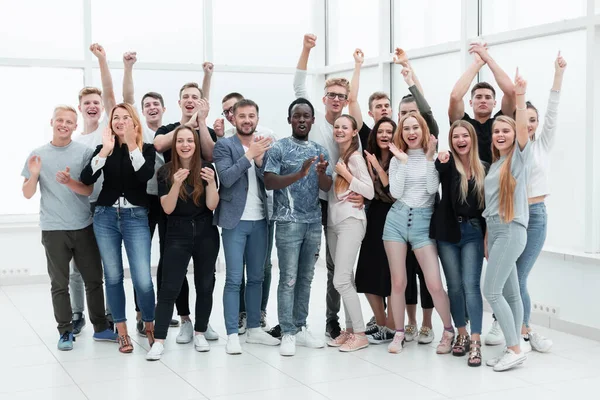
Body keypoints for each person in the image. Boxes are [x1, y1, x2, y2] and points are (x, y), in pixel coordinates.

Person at [350, 47, 440, 344]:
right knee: (387, 274)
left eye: (406, 117)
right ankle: (395, 323)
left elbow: (426, 112)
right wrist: (358, 67)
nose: (399, 125)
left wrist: (408, 70)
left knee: (420, 273)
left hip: (418, 214)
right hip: (383, 218)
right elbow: (353, 105)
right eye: (401, 116)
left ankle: (424, 323)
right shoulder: (373, 146)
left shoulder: (415, 145)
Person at [22, 105, 117, 350]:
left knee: (94, 280)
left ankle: (101, 328)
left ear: (76, 126)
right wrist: (33, 175)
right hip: (53, 229)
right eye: (60, 120)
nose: (64, 125)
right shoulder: (37, 155)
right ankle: (65, 332)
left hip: (83, 226)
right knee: (59, 284)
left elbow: (88, 190)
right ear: (52, 122)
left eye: (69, 122)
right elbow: (27, 193)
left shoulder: (84, 153)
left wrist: (69, 182)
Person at [490, 53, 567, 354]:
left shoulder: (542, 144)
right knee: (508, 276)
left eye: (534, 120)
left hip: (535, 215)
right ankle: (513, 327)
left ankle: (523, 330)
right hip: (510, 217)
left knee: (518, 276)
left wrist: (558, 74)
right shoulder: (509, 152)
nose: (531, 124)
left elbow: (554, 113)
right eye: (527, 120)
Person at [294, 33, 364, 339]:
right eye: (331, 94)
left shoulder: (350, 126)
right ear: (324, 98)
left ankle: (333, 320)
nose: (336, 99)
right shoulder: (316, 122)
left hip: (341, 203)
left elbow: (357, 98)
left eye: (341, 95)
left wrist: (357, 68)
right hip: (313, 201)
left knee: (338, 268)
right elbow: (298, 86)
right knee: (307, 264)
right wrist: (307, 49)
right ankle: (295, 321)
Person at [81, 103, 156, 353]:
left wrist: (132, 145)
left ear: (134, 122)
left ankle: (149, 325)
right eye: (116, 118)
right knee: (113, 277)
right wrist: (104, 152)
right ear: (110, 123)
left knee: (143, 278)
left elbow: (145, 175)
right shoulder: (103, 149)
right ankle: (121, 331)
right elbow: (86, 179)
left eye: (126, 117)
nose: (120, 121)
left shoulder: (146, 148)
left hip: (136, 216)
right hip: (105, 217)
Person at [264, 98, 332, 356]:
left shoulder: (319, 151)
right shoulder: (278, 149)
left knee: (306, 277)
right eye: (297, 116)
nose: (302, 120)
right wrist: (299, 174)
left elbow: (326, 187)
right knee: (289, 279)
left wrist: (320, 173)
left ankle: (301, 327)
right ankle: (288, 332)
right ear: (289, 119)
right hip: (288, 223)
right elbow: (269, 181)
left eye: (306, 116)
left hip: (313, 223)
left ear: (313, 120)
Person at [153, 78, 219, 344]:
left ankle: (201, 327)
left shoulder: (206, 163)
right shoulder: (166, 167)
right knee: (172, 280)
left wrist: (201, 123)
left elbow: (210, 154)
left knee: (205, 282)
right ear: (179, 102)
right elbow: (159, 144)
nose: (185, 145)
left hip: (204, 228)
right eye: (186, 97)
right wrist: (188, 125)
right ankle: (184, 322)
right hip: (175, 227)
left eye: (196, 97)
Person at [213, 99, 281, 354]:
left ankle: (254, 329)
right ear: (234, 118)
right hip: (234, 221)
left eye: (252, 115)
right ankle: (232, 332)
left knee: (256, 277)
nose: (247, 120)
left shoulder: (265, 144)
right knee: (233, 279)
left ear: (257, 118)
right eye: (242, 115)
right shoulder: (224, 146)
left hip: (261, 220)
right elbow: (227, 179)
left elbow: (270, 181)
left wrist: (262, 162)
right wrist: (249, 156)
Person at [384, 113, 455, 355]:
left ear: (423, 130)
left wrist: (427, 159)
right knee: (398, 282)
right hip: (396, 220)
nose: (411, 132)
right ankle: (399, 333)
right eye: (406, 129)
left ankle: (448, 330)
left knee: (434, 283)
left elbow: (431, 189)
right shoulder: (397, 159)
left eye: (415, 128)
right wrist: (403, 161)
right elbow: (395, 191)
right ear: (401, 133)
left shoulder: (433, 157)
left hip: (424, 223)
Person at [483, 70, 533, 371]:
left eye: (506, 131)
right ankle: (517, 346)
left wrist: (521, 96)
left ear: (514, 136)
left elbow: (525, 130)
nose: (500, 135)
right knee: (511, 293)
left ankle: (513, 348)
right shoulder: (497, 163)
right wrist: (489, 237)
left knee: (491, 291)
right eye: (497, 131)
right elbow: (490, 207)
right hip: (499, 231)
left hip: (512, 229)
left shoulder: (516, 159)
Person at [68, 43, 117, 335]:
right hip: (78, 210)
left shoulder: (107, 129)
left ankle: (111, 313)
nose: (92, 105)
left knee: (107, 265)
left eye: (96, 102)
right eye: (87, 102)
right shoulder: (74, 142)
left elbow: (111, 95)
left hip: (104, 207)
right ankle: (77, 314)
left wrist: (101, 60)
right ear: (80, 107)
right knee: (77, 268)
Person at [431, 120, 489, 366]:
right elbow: (435, 170)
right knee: (454, 286)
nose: (461, 140)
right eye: (456, 136)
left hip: (474, 231)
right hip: (448, 232)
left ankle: (475, 340)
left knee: (470, 285)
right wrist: (439, 155)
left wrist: (487, 239)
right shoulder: (446, 164)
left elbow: (488, 208)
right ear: (451, 140)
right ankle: (462, 333)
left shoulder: (485, 168)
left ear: (472, 139)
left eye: (465, 135)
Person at [326, 114, 374, 352]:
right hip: (335, 223)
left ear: (355, 132)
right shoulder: (341, 156)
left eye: (345, 127)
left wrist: (346, 175)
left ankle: (361, 334)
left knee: (341, 280)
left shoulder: (354, 158)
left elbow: (369, 191)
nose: (340, 130)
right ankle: (350, 330)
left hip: (351, 222)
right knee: (345, 278)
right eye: (337, 127)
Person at [355, 117, 397, 344]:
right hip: (373, 216)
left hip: (395, 216)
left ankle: (392, 325)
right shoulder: (366, 156)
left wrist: (378, 170)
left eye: (389, 131)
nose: (384, 135)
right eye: (381, 131)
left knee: (391, 274)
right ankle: (381, 323)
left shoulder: (400, 158)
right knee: (367, 271)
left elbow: (394, 193)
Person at [448, 43, 516, 164]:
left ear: (495, 103)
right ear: (470, 102)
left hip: (497, 178)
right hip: (468, 180)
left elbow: (511, 91)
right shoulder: (463, 124)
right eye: (478, 97)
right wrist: (477, 64)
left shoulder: (501, 122)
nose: (483, 100)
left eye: (488, 97)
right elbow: (455, 96)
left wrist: (488, 58)